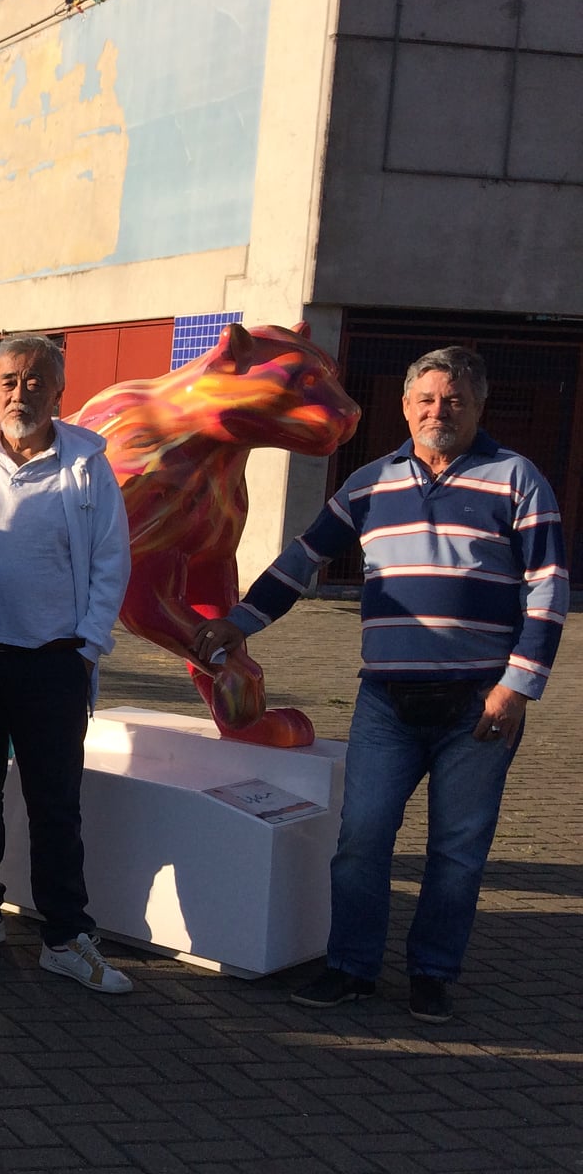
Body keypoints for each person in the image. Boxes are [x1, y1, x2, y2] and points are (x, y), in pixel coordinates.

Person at [194, 346, 566, 1024]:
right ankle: (352, 968)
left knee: (457, 852)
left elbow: (548, 590)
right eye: (425, 399)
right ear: (404, 405)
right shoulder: (369, 483)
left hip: (479, 705)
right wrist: (242, 621)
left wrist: (517, 687)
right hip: (387, 703)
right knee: (361, 839)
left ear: (478, 405)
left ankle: (431, 974)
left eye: (453, 399)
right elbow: (304, 557)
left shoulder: (518, 478)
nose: (438, 411)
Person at [0, 333, 136, 992]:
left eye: (35, 381)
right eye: (9, 380)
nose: (21, 393)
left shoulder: (88, 464)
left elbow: (110, 561)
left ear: (58, 390)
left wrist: (86, 646)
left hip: (52, 661)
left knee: (55, 802)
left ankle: (66, 935)